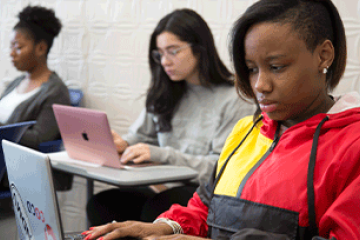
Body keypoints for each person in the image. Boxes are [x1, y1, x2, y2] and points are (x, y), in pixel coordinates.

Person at [82, 0, 360, 239]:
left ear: (323, 56)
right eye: (251, 69)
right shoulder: (247, 131)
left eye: (277, 67)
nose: (260, 85)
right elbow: (205, 205)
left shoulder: (352, 145)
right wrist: (162, 228)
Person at [86, 8, 254, 225]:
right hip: (163, 186)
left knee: (160, 208)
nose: (164, 61)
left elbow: (220, 169)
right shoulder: (165, 92)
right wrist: (123, 144)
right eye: (160, 54)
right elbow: (143, 137)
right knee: (103, 204)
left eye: (172, 51)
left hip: (204, 194)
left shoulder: (234, 98)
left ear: (200, 48)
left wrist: (161, 155)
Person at [0, 5, 70, 150]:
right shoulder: (16, 83)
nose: (12, 53)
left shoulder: (56, 92)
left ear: (41, 48)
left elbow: (39, 139)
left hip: (12, 164)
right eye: (11, 47)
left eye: (18, 47)